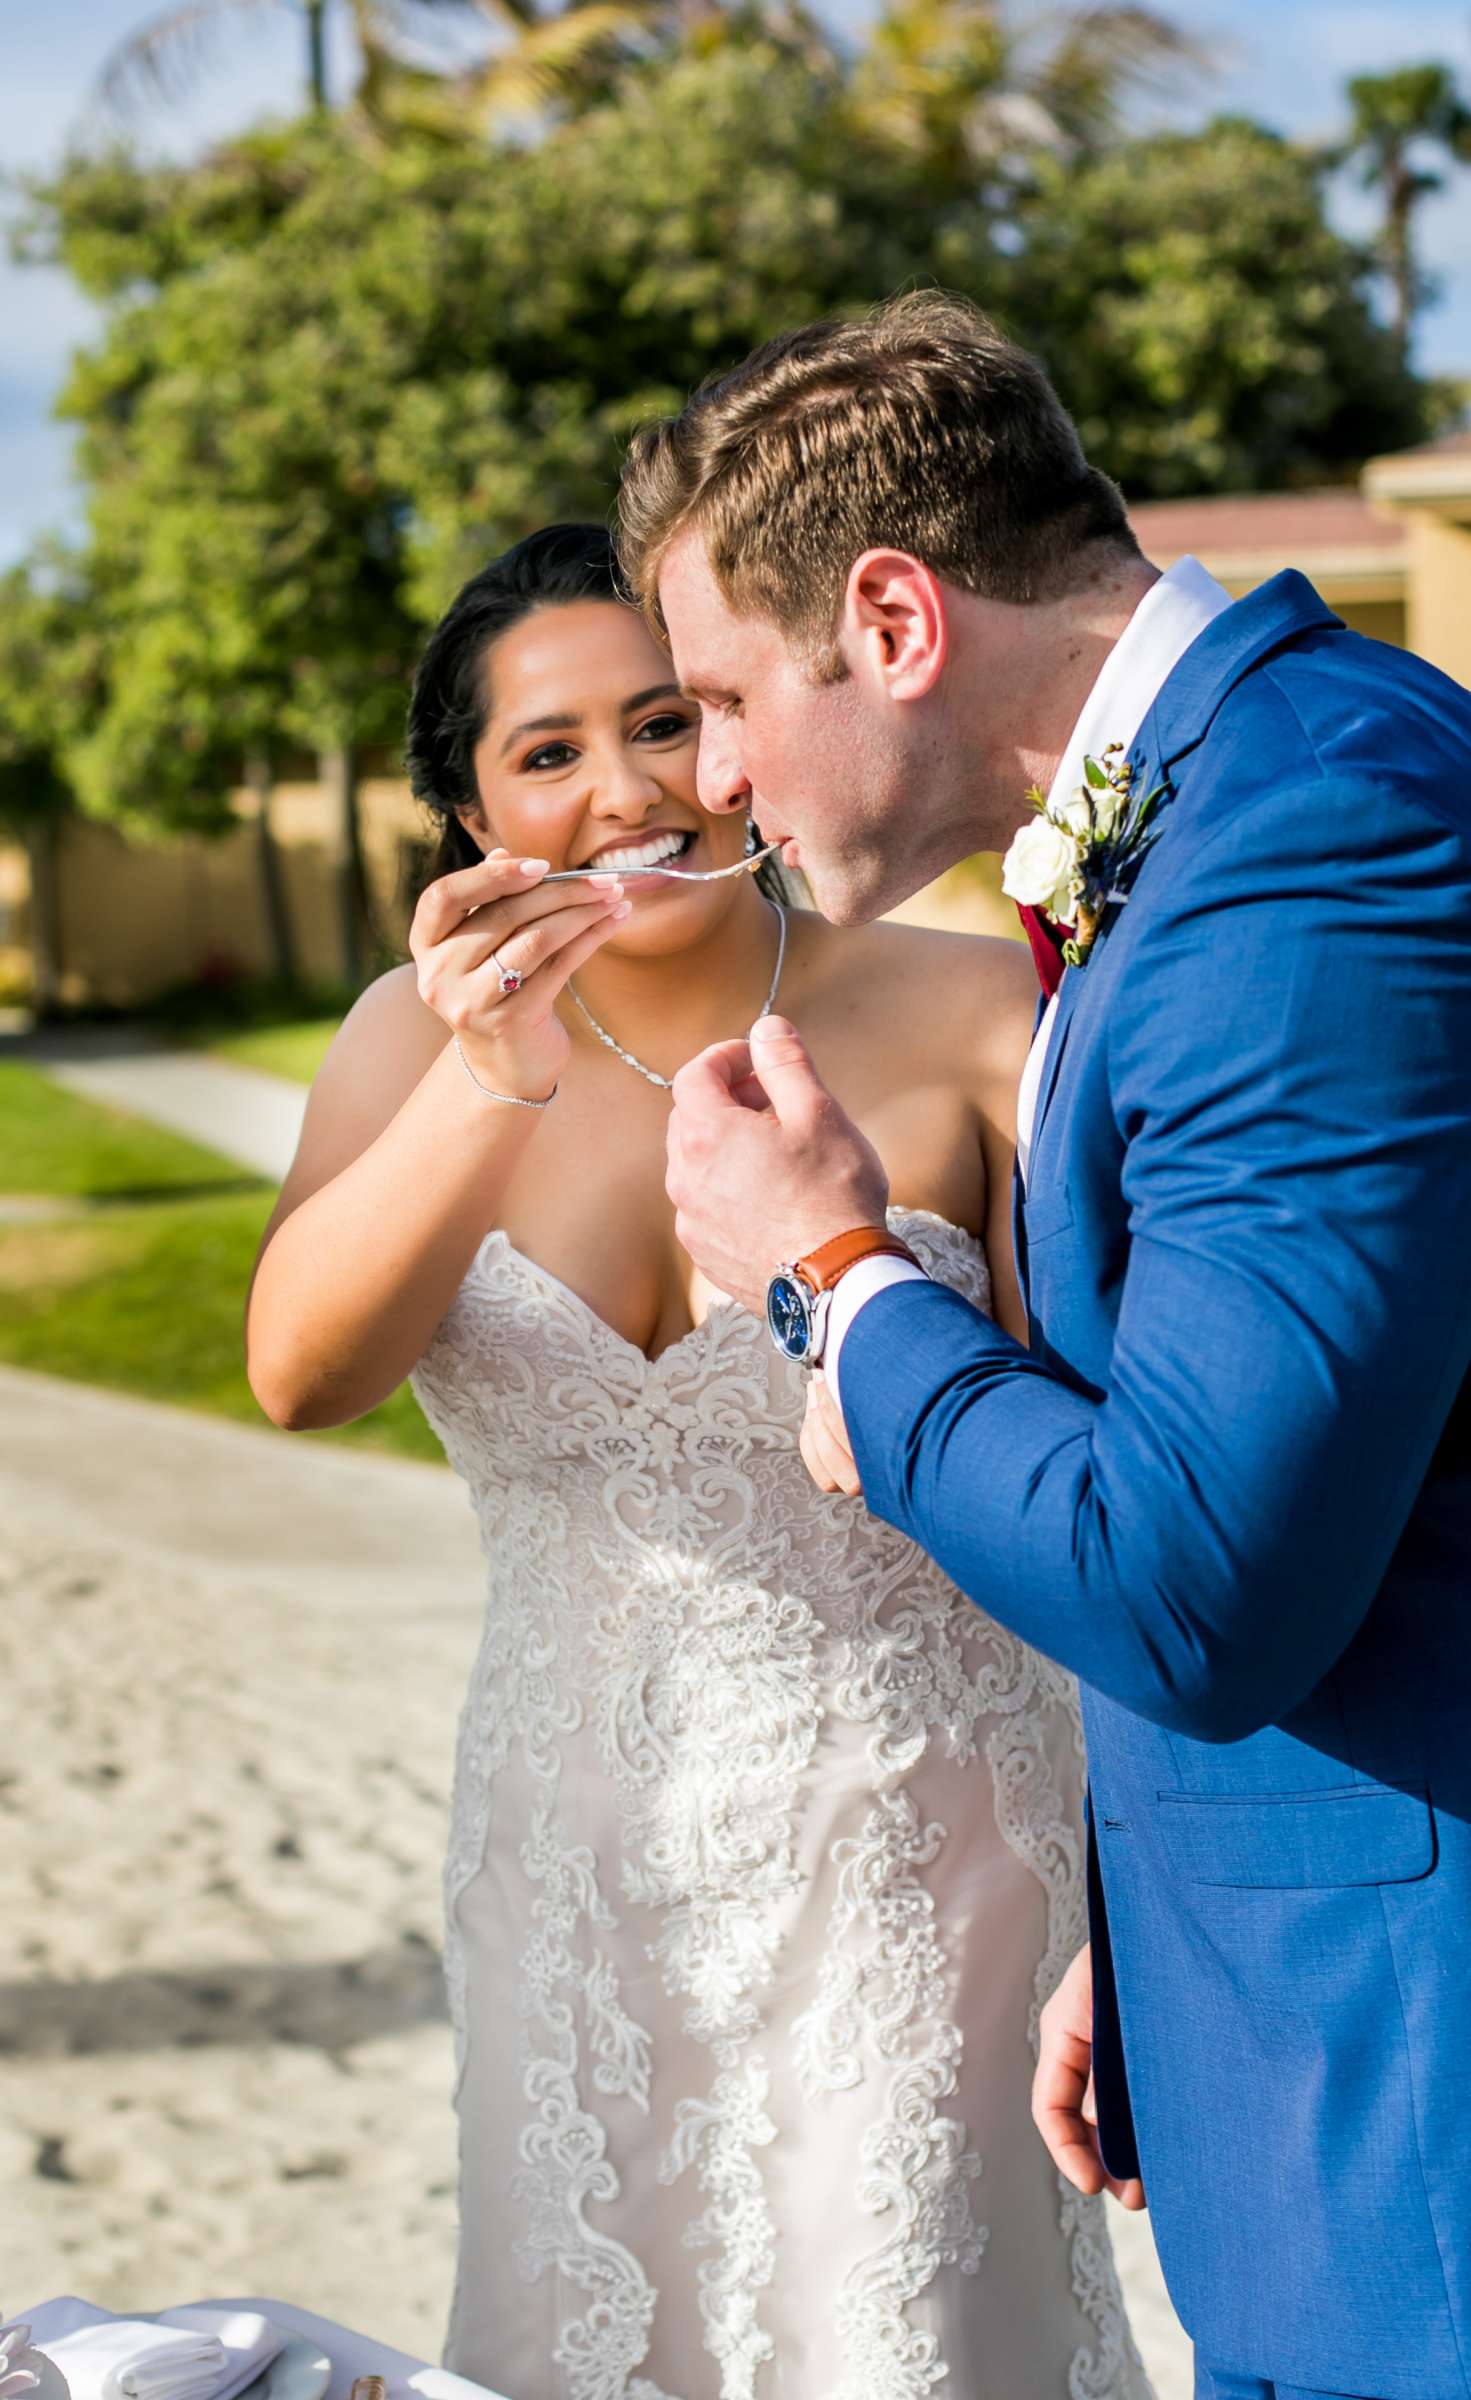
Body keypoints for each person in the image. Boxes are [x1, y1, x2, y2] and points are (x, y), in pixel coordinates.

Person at [629, 294, 1471, 2400]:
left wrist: (836, 1269)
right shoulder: (1248, 800)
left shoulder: (1318, 859)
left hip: (1465, 2117)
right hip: (1301, 2030)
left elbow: (1192, 1579)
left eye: (715, 698)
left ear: (891, 619)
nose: (704, 780)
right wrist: (1145, 1910)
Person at [244, 524, 1154, 2400]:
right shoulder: (397, 1048)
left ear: (735, 732)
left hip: (934, 1845)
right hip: (572, 1847)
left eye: (663, 720)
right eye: (547, 754)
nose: (624, 792)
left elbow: (1125, 1464)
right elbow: (299, 1378)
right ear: (474, 811)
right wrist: (480, 1074)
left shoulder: (973, 1007)